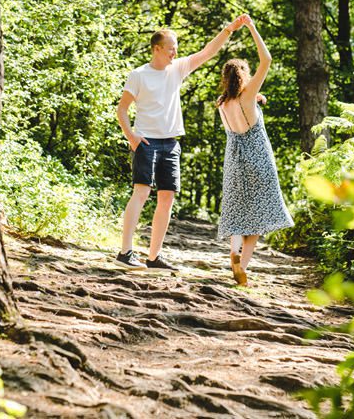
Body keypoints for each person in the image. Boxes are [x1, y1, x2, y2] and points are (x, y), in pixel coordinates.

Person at [114, 15, 245, 269]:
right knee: (141, 193)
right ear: (157, 48)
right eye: (171, 47)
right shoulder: (138, 75)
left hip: (171, 144)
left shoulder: (178, 69)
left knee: (167, 198)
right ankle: (125, 252)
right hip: (146, 143)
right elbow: (122, 110)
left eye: (176, 48)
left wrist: (229, 29)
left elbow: (208, 51)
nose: (175, 52)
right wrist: (131, 136)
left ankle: (154, 257)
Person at [213, 15, 294, 287]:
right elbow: (267, 60)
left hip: (234, 162)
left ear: (225, 79)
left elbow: (241, 102)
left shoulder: (222, 104)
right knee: (257, 219)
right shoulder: (248, 97)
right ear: (245, 76)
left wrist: (256, 98)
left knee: (237, 212)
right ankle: (243, 267)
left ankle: (234, 252)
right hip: (258, 159)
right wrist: (252, 27)